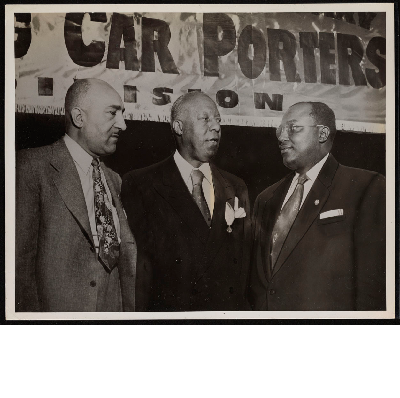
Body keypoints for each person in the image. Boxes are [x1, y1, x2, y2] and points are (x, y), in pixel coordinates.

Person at [121, 91, 251, 311]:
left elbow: (243, 264)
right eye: (205, 119)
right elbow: (137, 268)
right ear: (178, 127)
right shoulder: (141, 184)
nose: (216, 127)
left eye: (218, 120)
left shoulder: (236, 186)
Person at [249, 101, 386, 311]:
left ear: (322, 134)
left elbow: (372, 284)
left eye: (293, 128)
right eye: (280, 130)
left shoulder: (365, 187)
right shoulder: (265, 198)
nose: (281, 137)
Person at [16, 78, 137, 312]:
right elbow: (18, 266)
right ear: (79, 118)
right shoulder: (31, 166)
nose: (122, 124)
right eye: (112, 113)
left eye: (122, 113)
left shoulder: (114, 179)